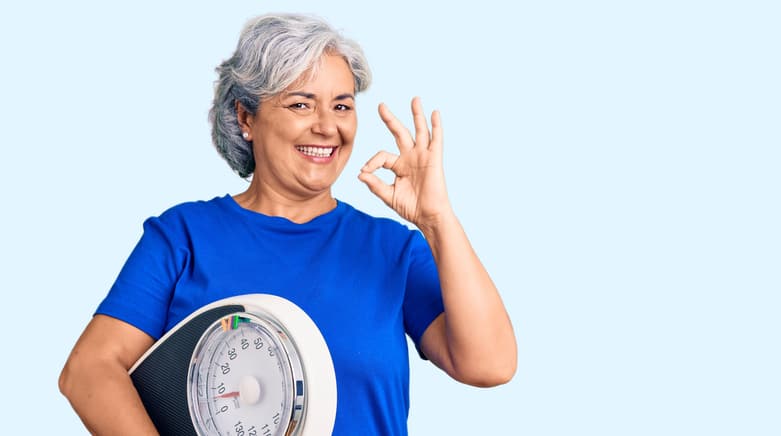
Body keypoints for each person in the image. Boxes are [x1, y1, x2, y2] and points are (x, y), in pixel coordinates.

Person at [58, 13, 516, 435]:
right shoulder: (183, 237)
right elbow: (89, 370)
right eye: (301, 105)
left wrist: (437, 220)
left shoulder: (392, 249)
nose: (326, 126)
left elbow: (489, 365)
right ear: (245, 118)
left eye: (341, 106)